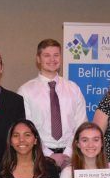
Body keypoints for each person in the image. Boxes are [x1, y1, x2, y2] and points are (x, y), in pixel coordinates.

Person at [18, 39, 88, 168]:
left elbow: (81, 125)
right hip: (39, 156)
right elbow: (27, 129)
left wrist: (68, 153)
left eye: (56, 55)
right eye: (47, 55)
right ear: (38, 59)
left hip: (72, 157)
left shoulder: (73, 88)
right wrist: (48, 155)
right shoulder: (25, 91)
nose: (52, 59)